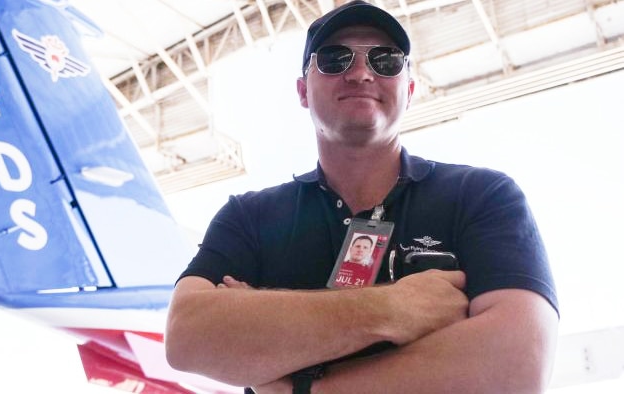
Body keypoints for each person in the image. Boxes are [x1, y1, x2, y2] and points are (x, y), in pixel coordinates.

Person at [165, 1, 559, 393]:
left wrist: (300, 386)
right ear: (303, 90)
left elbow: (519, 364)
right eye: (335, 59)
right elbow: (187, 336)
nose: (360, 73)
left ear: (409, 89)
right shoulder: (248, 217)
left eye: (385, 60)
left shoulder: (481, 197)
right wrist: (395, 308)